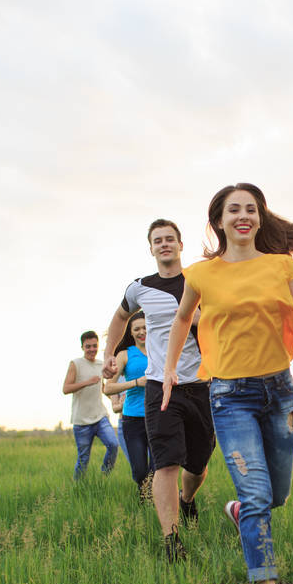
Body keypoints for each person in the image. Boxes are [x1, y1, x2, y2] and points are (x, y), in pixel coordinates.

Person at [162, 183, 293, 584]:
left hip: (279, 392)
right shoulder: (202, 274)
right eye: (234, 210)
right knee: (256, 495)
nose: (243, 216)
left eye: (251, 209)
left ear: (260, 218)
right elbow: (181, 318)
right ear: (219, 220)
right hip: (230, 395)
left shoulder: (282, 266)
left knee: (277, 495)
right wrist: (172, 368)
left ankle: (238, 513)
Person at [102, 220, 215, 562]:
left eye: (170, 239)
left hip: (201, 385)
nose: (164, 244)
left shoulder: (200, 280)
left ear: (181, 245)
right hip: (159, 387)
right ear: (150, 248)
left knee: (198, 464)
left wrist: (194, 319)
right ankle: (171, 539)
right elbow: (119, 318)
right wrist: (109, 353)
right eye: (157, 241)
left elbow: (219, 321)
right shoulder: (140, 288)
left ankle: (188, 499)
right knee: (166, 462)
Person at [103, 312, 154, 498]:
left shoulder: (162, 351)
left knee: (159, 469)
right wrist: (136, 382)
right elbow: (108, 388)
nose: (142, 332)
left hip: (159, 416)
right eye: (137, 329)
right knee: (140, 472)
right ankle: (144, 501)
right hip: (133, 419)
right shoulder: (125, 355)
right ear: (130, 333)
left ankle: (155, 504)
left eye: (145, 327)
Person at [63, 331, 118, 481]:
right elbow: (66, 389)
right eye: (88, 346)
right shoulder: (76, 364)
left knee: (113, 445)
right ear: (82, 347)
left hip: (100, 417)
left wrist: (116, 399)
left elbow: (103, 389)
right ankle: (78, 487)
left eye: (94, 346)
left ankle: (103, 476)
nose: (92, 349)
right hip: (81, 421)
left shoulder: (101, 365)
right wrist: (87, 382)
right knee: (83, 459)